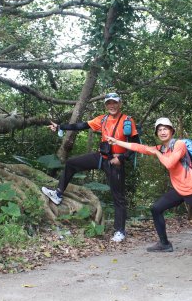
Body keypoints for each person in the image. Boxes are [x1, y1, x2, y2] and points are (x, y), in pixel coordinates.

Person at [106, 117, 192, 255]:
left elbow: (169, 163)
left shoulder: (179, 144)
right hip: (178, 190)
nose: (162, 132)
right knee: (156, 208)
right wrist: (117, 141)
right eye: (159, 130)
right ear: (157, 134)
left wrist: (157, 153)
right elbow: (139, 147)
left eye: (165, 129)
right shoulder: (162, 148)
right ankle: (164, 243)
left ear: (171, 131)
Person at [41, 92, 140, 243]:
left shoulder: (127, 121)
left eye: (114, 103)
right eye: (109, 103)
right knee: (71, 163)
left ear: (120, 104)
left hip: (116, 161)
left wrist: (122, 158)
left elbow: (135, 145)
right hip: (102, 156)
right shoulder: (103, 119)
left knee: (118, 198)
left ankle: (120, 231)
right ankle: (58, 194)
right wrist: (61, 126)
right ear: (106, 105)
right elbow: (82, 125)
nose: (111, 106)